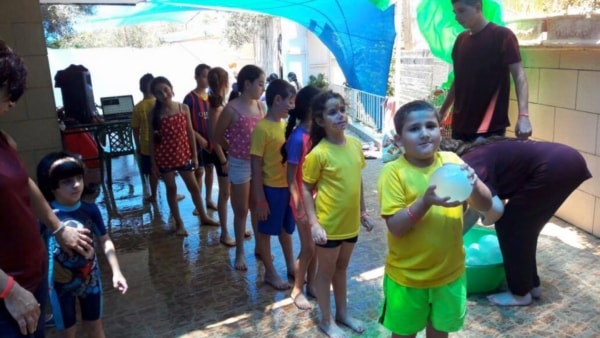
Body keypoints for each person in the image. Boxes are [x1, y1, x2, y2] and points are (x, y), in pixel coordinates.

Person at [0, 40, 93, 338]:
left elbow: (22, 183)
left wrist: (57, 228)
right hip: (8, 293)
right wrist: (9, 289)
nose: (12, 104)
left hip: (30, 279)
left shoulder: (3, 139)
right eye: (7, 94)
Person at [377, 100, 492, 338]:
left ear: (441, 131)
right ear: (399, 140)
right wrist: (424, 202)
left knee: (440, 333)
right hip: (407, 278)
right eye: (414, 128)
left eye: (431, 126)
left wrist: (475, 185)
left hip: (449, 275)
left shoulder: (452, 162)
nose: (424, 133)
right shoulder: (393, 173)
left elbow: (486, 205)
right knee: (403, 334)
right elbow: (396, 227)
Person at [440, 136, 592, 306]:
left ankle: (520, 294)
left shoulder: (467, 164)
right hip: (567, 160)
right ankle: (532, 285)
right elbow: (476, 211)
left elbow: (496, 209)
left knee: (509, 226)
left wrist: (489, 219)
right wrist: (452, 241)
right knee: (525, 229)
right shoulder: (476, 154)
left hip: (556, 166)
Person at [301, 90, 375, 337]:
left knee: (342, 269)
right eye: (332, 112)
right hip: (329, 225)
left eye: (342, 109)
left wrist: (363, 211)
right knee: (325, 272)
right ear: (320, 121)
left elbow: (358, 180)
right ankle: (326, 319)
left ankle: (342, 313)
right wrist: (314, 224)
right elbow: (305, 187)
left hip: (350, 224)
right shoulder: (319, 153)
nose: (340, 115)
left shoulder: (354, 145)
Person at [36, 151, 128, 337]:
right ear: (53, 186)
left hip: (90, 281)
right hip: (59, 285)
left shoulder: (90, 211)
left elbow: (104, 240)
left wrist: (116, 271)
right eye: (67, 181)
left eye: (79, 178)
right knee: (68, 332)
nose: (76, 185)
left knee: (95, 327)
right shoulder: (47, 216)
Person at [439, 0, 532, 142]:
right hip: (459, 126)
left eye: (461, 11)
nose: (457, 17)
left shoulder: (502, 36)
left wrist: (523, 116)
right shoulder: (460, 40)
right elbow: (458, 80)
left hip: (489, 128)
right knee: (459, 164)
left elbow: (519, 76)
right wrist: (443, 111)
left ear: (477, 7)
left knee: (482, 165)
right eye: (455, 12)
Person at [149, 76, 219, 236]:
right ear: (155, 96)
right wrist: (153, 163)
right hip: (165, 158)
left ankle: (203, 216)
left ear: (171, 89)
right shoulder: (153, 114)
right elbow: (152, 141)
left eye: (165, 90)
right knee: (171, 189)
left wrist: (195, 156)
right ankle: (179, 223)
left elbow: (190, 133)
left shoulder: (183, 108)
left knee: (194, 187)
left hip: (183, 156)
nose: (164, 94)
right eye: (159, 93)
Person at [213, 64, 266, 270]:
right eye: (260, 84)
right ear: (247, 84)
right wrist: (234, 150)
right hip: (240, 164)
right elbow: (217, 138)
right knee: (241, 210)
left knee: (256, 207)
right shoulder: (231, 108)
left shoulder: (261, 106)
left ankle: (260, 247)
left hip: (258, 164)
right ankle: (240, 253)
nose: (262, 88)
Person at [251, 79, 297, 290]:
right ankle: (270, 272)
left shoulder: (282, 125)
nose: (292, 106)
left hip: (286, 187)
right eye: (290, 101)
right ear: (277, 100)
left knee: (285, 231)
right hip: (271, 190)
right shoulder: (262, 128)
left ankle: (290, 266)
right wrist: (260, 198)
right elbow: (255, 164)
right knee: (265, 232)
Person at [281, 85, 321, 309]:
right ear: (310, 109)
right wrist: (300, 208)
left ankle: (312, 285)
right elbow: (291, 179)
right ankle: (297, 289)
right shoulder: (298, 139)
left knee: (316, 245)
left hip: (317, 200)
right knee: (308, 248)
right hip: (302, 203)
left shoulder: (316, 134)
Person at [206, 66, 235, 247]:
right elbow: (215, 138)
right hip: (223, 155)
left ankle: (233, 227)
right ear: (225, 83)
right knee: (224, 195)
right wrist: (224, 159)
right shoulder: (215, 108)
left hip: (228, 154)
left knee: (229, 194)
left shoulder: (221, 104)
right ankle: (225, 232)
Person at [183, 64, 218, 214]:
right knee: (199, 171)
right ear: (196, 77)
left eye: (209, 77)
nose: (207, 80)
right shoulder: (189, 99)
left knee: (210, 169)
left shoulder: (213, 97)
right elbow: (185, 123)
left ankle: (208, 198)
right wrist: (198, 137)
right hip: (197, 142)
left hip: (211, 141)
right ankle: (198, 204)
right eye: (204, 76)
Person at [132, 73, 160, 202]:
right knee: (166, 170)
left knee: (151, 171)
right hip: (161, 143)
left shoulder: (138, 107)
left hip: (145, 144)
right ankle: (173, 193)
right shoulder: (159, 104)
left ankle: (153, 194)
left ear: (140, 88)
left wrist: (137, 145)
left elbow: (135, 129)